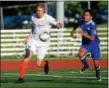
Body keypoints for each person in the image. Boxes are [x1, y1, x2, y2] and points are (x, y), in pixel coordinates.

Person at [16, 3, 62, 83]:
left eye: (41, 11)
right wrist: (28, 38)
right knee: (27, 55)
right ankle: (21, 78)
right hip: (33, 40)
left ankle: (45, 64)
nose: (39, 12)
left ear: (44, 11)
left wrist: (58, 25)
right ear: (36, 11)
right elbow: (33, 29)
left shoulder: (48, 18)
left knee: (38, 64)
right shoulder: (33, 17)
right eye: (38, 10)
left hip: (44, 43)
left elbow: (59, 25)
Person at [72, 9, 101, 81]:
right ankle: (86, 66)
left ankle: (97, 72)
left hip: (94, 44)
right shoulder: (81, 21)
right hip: (85, 44)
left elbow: (92, 38)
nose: (85, 17)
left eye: (87, 15)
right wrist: (73, 31)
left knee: (96, 64)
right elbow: (76, 25)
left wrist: (83, 34)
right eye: (84, 15)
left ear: (91, 17)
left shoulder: (93, 25)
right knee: (80, 54)